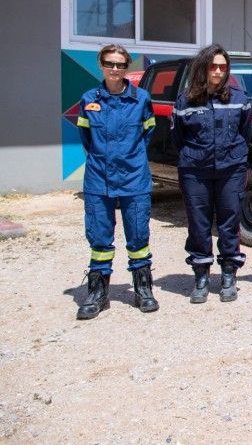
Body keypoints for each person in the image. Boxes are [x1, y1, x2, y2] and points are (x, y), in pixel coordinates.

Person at [75, 44, 158, 320]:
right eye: (110, 63)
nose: (115, 69)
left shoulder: (141, 98)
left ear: (127, 67)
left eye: (121, 65)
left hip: (134, 178)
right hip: (99, 180)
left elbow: (147, 133)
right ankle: (98, 293)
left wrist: (128, 159)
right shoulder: (89, 99)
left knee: (138, 237)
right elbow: (86, 139)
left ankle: (143, 288)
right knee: (99, 238)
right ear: (101, 64)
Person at [171, 44, 251, 304]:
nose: (217, 71)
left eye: (222, 67)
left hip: (231, 170)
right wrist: (194, 156)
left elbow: (245, 133)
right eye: (213, 66)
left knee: (229, 222)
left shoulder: (239, 98)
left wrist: (235, 157)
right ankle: (201, 275)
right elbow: (178, 138)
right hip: (195, 171)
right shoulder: (185, 100)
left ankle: (229, 274)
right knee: (198, 223)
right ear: (203, 68)